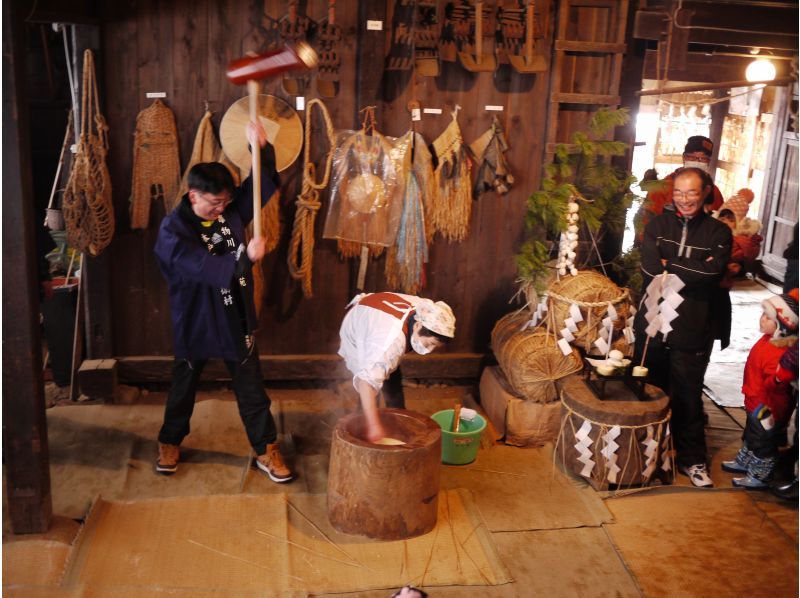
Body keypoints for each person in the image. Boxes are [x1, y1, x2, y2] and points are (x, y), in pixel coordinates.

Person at [153, 120, 292, 483]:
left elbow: (262, 185)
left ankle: (265, 449)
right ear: (193, 195)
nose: (222, 210)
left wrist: (259, 148)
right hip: (196, 315)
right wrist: (246, 257)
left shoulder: (229, 211)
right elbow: (201, 266)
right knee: (184, 384)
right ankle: (170, 441)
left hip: (234, 313)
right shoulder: (173, 230)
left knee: (251, 386)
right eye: (215, 203)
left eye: (226, 203)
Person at [633, 167, 732, 487]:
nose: (684, 199)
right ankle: (644, 457)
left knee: (688, 395)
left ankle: (693, 461)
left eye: (691, 192)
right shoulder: (658, 225)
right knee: (647, 390)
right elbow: (649, 268)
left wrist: (670, 265)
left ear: (705, 193)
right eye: (678, 192)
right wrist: (689, 268)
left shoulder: (719, 232)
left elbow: (711, 274)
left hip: (693, 324)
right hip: (652, 320)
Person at [338, 292, 455, 442]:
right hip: (358, 327)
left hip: (376, 317)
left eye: (436, 346)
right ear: (418, 325)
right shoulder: (388, 343)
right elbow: (365, 382)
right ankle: (362, 427)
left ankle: (398, 421)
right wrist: (374, 426)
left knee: (390, 377)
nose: (430, 350)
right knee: (370, 382)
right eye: (431, 343)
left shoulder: (426, 310)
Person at [722, 289, 798, 488]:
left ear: (782, 325)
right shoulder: (766, 341)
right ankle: (745, 460)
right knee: (751, 433)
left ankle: (761, 474)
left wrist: (776, 380)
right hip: (754, 398)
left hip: (767, 407)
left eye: (768, 317)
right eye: (762, 314)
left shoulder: (779, 350)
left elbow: (776, 382)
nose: (761, 319)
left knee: (764, 440)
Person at [640, 136, 725, 227]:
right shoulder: (663, 187)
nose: (697, 162)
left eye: (703, 159)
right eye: (692, 157)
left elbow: (720, 224)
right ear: (684, 158)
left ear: (708, 162)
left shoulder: (714, 192)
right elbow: (645, 223)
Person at [717, 208, 762, 286]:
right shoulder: (717, 234)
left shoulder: (740, 237)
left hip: (731, 269)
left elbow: (749, 254)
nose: (726, 222)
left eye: (731, 220)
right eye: (722, 220)